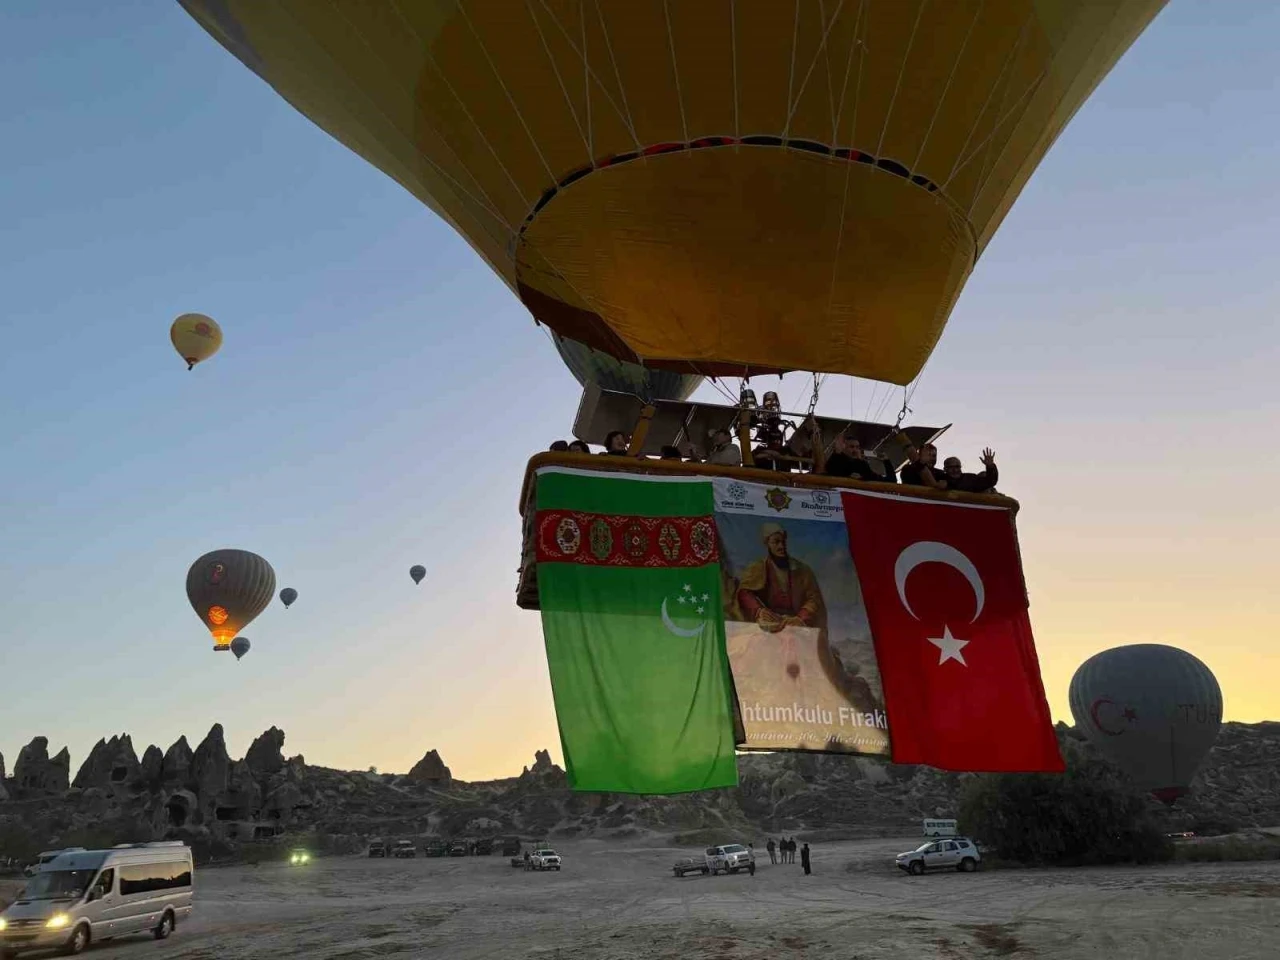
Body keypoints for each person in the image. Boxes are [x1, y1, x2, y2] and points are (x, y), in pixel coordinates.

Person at [824, 432, 896, 483]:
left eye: (857, 447)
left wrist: (886, 461)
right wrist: (837, 453)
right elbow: (832, 471)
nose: (855, 450)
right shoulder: (838, 462)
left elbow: (891, 481)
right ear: (843, 447)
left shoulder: (862, 466)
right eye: (851, 447)